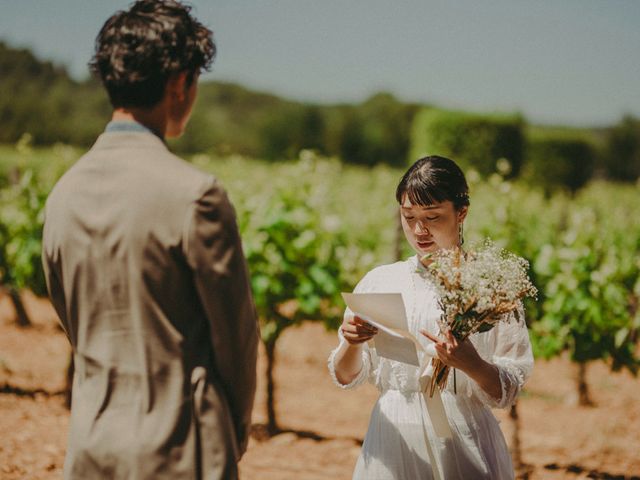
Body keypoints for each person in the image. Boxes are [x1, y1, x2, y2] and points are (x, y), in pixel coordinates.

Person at [41, 2, 259, 478]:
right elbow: (236, 340)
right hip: (181, 447)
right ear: (180, 82)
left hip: (90, 441)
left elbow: (73, 323)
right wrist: (234, 430)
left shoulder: (62, 196)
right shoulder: (197, 196)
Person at [328, 156, 534, 480]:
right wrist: (352, 344)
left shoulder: (492, 288)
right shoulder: (380, 281)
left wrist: (471, 363)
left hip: (461, 437)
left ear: (461, 212)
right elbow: (345, 376)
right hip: (392, 434)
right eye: (408, 217)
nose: (418, 230)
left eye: (432, 217)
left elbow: (508, 390)